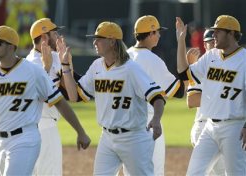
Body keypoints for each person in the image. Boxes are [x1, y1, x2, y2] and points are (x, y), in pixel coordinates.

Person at [0, 25, 91, 175]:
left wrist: (80, 131)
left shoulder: (32, 71)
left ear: (11, 47)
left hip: (25, 139)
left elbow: (59, 102)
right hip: (0, 141)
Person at [57, 21, 165, 175]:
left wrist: (156, 118)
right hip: (107, 137)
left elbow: (157, 97)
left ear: (112, 41)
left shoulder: (131, 69)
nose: (95, 42)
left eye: (99, 38)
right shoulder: (97, 66)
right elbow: (74, 96)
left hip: (133, 138)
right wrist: (65, 65)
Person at [176, 15, 246, 175]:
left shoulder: (244, 59)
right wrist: (181, 40)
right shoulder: (211, 55)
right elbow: (183, 73)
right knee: (194, 173)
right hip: (210, 127)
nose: (213, 35)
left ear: (231, 33)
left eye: (218, 31)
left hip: (234, 128)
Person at [127, 15, 185, 176]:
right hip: (147, 121)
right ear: (150, 33)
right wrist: (191, 65)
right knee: (154, 170)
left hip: (123, 120)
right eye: (157, 32)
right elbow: (178, 91)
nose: (159, 35)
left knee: (129, 169)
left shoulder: (125, 55)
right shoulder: (152, 60)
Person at [26, 18, 83, 175]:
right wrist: (47, 68)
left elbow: (72, 95)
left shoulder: (57, 57)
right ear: (44, 37)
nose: (58, 36)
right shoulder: (30, 63)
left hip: (49, 125)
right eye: (54, 32)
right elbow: (37, 96)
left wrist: (68, 64)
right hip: (39, 126)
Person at [186, 29, 225, 175]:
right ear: (204, 44)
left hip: (225, 127)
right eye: (210, 42)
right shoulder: (200, 67)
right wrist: (221, 99)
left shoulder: (229, 66)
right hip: (204, 126)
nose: (214, 45)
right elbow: (192, 100)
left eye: (215, 41)